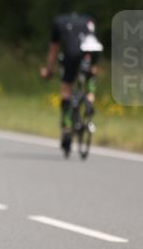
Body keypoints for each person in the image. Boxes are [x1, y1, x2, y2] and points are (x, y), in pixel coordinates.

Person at [39, 13, 103, 153]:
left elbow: (54, 49)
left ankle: (67, 129)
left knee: (66, 90)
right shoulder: (88, 20)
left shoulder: (58, 22)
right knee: (91, 71)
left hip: (72, 52)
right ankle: (90, 98)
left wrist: (48, 70)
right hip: (93, 49)